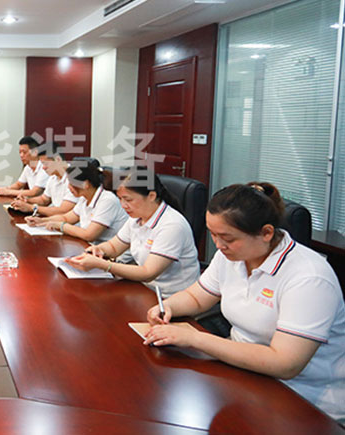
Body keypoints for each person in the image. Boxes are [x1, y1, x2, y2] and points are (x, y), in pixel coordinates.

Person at [143, 182, 345, 424]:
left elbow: (285, 363)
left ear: (266, 233)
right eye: (213, 234)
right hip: (243, 376)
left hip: (303, 400)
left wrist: (195, 339)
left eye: (227, 238)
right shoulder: (231, 256)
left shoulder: (309, 277)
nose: (218, 245)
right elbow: (197, 297)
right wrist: (168, 306)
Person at [66, 166, 199, 297]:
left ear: (152, 196)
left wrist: (103, 265)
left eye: (128, 200)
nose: (123, 205)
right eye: (120, 199)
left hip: (171, 298)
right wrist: (98, 250)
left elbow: (148, 273)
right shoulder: (137, 218)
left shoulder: (172, 225)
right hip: (143, 289)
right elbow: (114, 247)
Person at [28, 159, 128, 243]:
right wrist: (42, 221)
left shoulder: (107, 200)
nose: (69, 187)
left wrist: (61, 226)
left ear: (86, 184)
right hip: (92, 248)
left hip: (112, 255)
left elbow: (89, 235)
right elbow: (66, 218)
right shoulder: (84, 198)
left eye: (72, 183)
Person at [10, 144, 77, 216]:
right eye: (42, 164)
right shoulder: (53, 177)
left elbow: (63, 210)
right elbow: (44, 199)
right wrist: (26, 200)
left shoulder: (75, 177)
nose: (43, 167)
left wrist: (32, 208)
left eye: (45, 163)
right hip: (55, 219)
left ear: (58, 160)